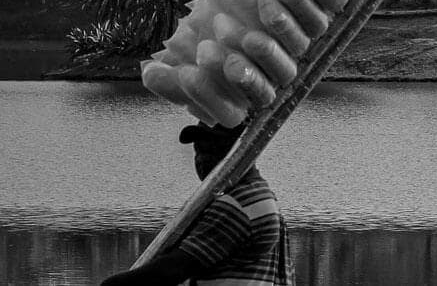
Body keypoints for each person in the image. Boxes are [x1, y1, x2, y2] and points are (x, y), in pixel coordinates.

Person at [100, 122, 294, 285]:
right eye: (198, 151)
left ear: (237, 152)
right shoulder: (260, 193)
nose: (201, 160)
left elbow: (176, 268)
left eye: (212, 151)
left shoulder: (236, 205)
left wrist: (114, 283)